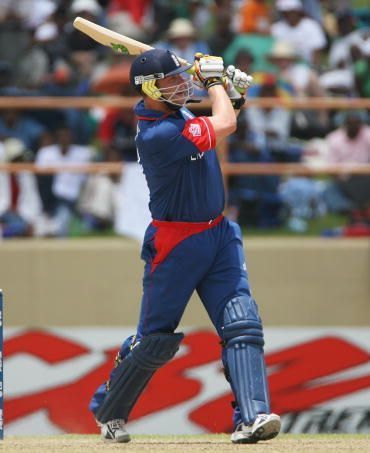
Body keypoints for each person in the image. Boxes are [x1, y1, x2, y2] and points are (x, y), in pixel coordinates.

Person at [88, 49, 281, 444]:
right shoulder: (157, 133)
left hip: (219, 234)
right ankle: (108, 411)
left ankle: (253, 417)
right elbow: (223, 123)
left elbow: (225, 117)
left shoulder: (177, 114)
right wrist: (215, 85)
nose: (182, 84)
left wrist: (233, 93)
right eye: (171, 81)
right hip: (177, 242)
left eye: (182, 77)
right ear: (148, 89)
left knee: (242, 324)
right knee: (154, 340)